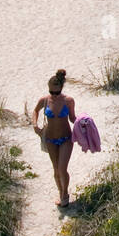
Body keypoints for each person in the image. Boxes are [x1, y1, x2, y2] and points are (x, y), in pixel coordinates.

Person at [33, 69, 77, 207]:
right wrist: (35, 125)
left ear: (61, 89)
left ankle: (65, 195)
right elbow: (35, 111)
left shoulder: (68, 101)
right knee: (56, 170)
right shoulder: (45, 100)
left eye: (56, 92)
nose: (54, 95)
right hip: (50, 139)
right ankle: (60, 193)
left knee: (62, 169)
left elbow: (72, 118)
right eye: (52, 92)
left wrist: (83, 124)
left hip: (66, 138)